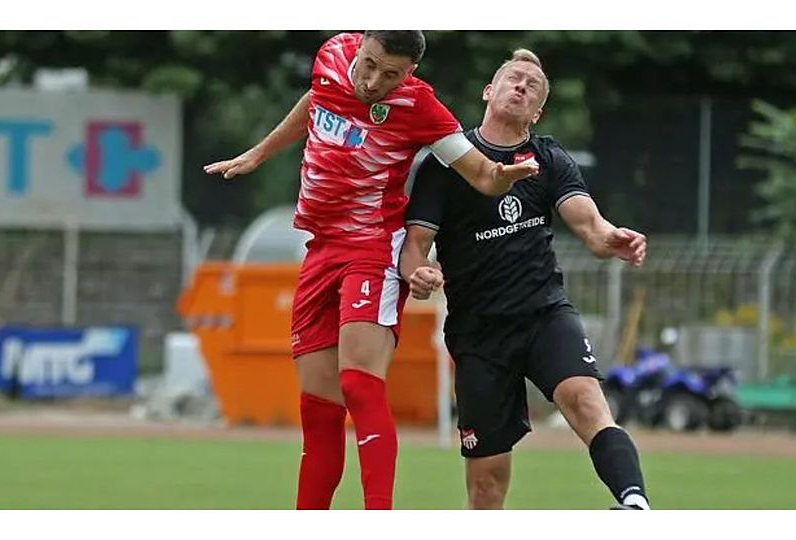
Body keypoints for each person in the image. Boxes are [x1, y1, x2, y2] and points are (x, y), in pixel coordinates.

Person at [203, 31, 538, 510]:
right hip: (320, 248)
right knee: (318, 411)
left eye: (391, 74)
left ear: (410, 73)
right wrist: (261, 151)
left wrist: (500, 177)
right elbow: (318, 99)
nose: (374, 80)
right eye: (370, 64)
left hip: (372, 247)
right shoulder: (332, 53)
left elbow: (482, 174)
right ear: (359, 47)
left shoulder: (419, 105)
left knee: (358, 384)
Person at [399, 49, 651, 510]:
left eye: (533, 86)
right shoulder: (444, 163)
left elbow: (591, 226)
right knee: (486, 485)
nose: (521, 86)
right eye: (513, 78)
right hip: (478, 333)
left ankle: (634, 504)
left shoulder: (547, 158)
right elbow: (415, 244)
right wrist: (417, 272)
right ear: (488, 91)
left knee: (585, 401)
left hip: (543, 314)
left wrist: (611, 237)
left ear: (537, 113)